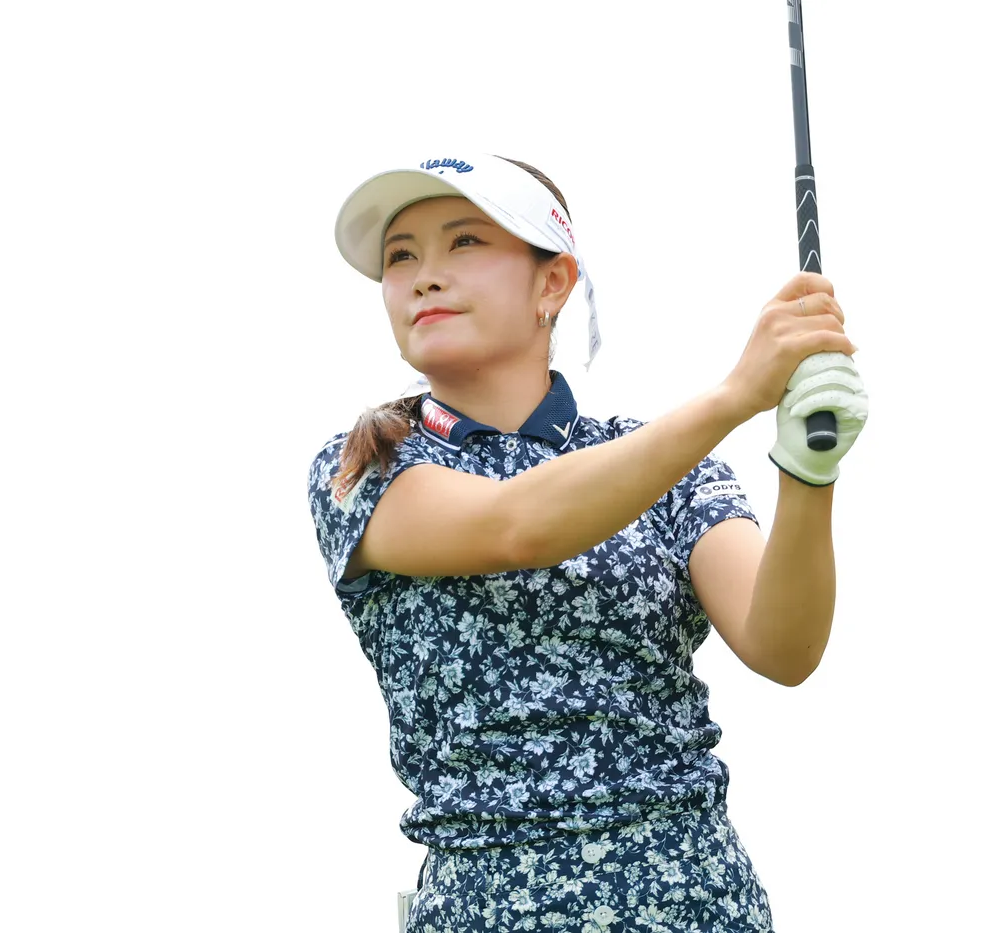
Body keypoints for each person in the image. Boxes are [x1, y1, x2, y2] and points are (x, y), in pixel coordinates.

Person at [305, 153, 869, 932]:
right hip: (485, 910)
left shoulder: (671, 467)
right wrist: (737, 394)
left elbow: (783, 645)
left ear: (553, 283)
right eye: (401, 257)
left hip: (698, 903)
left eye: (464, 241)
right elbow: (516, 525)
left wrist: (808, 473)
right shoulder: (364, 466)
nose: (424, 277)